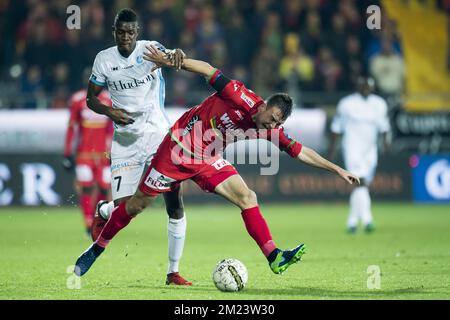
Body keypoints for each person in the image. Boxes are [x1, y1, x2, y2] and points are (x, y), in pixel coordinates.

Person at [74, 46, 360, 278]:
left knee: (248, 196)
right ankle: (95, 249)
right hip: (178, 149)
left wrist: (336, 169)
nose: (270, 126)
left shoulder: (270, 128)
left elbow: (300, 151)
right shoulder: (240, 96)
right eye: (270, 118)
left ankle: (274, 257)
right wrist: (171, 62)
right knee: (136, 205)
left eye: (277, 123)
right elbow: (209, 70)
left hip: (208, 157)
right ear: (262, 107)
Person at [84, 8, 191, 285]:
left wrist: (177, 53)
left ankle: (173, 272)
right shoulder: (103, 60)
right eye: (121, 32)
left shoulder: (149, 49)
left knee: (174, 201)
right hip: (125, 140)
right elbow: (91, 100)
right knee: (125, 209)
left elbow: (173, 56)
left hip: (157, 134)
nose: (126, 37)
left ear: (137, 33)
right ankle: (105, 210)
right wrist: (110, 112)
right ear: (114, 32)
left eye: (131, 32)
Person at [329, 76, 391, 234]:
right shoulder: (347, 103)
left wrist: (386, 145)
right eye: (363, 86)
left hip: (370, 150)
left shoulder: (379, 104)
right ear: (358, 86)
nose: (366, 89)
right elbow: (336, 128)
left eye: (369, 86)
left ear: (373, 88)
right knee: (360, 182)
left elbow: (384, 128)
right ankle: (368, 220)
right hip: (352, 148)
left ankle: (352, 222)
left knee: (362, 186)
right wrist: (333, 149)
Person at [62, 88, 113, 235]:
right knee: (86, 187)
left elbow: (112, 129)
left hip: (104, 154)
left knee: (104, 187)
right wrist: (67, 152)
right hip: (84, 154)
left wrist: (112, 152)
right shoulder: (78, 100)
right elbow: (72, 127)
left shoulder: (109, 100)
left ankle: (99, 220)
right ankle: (88, 222)